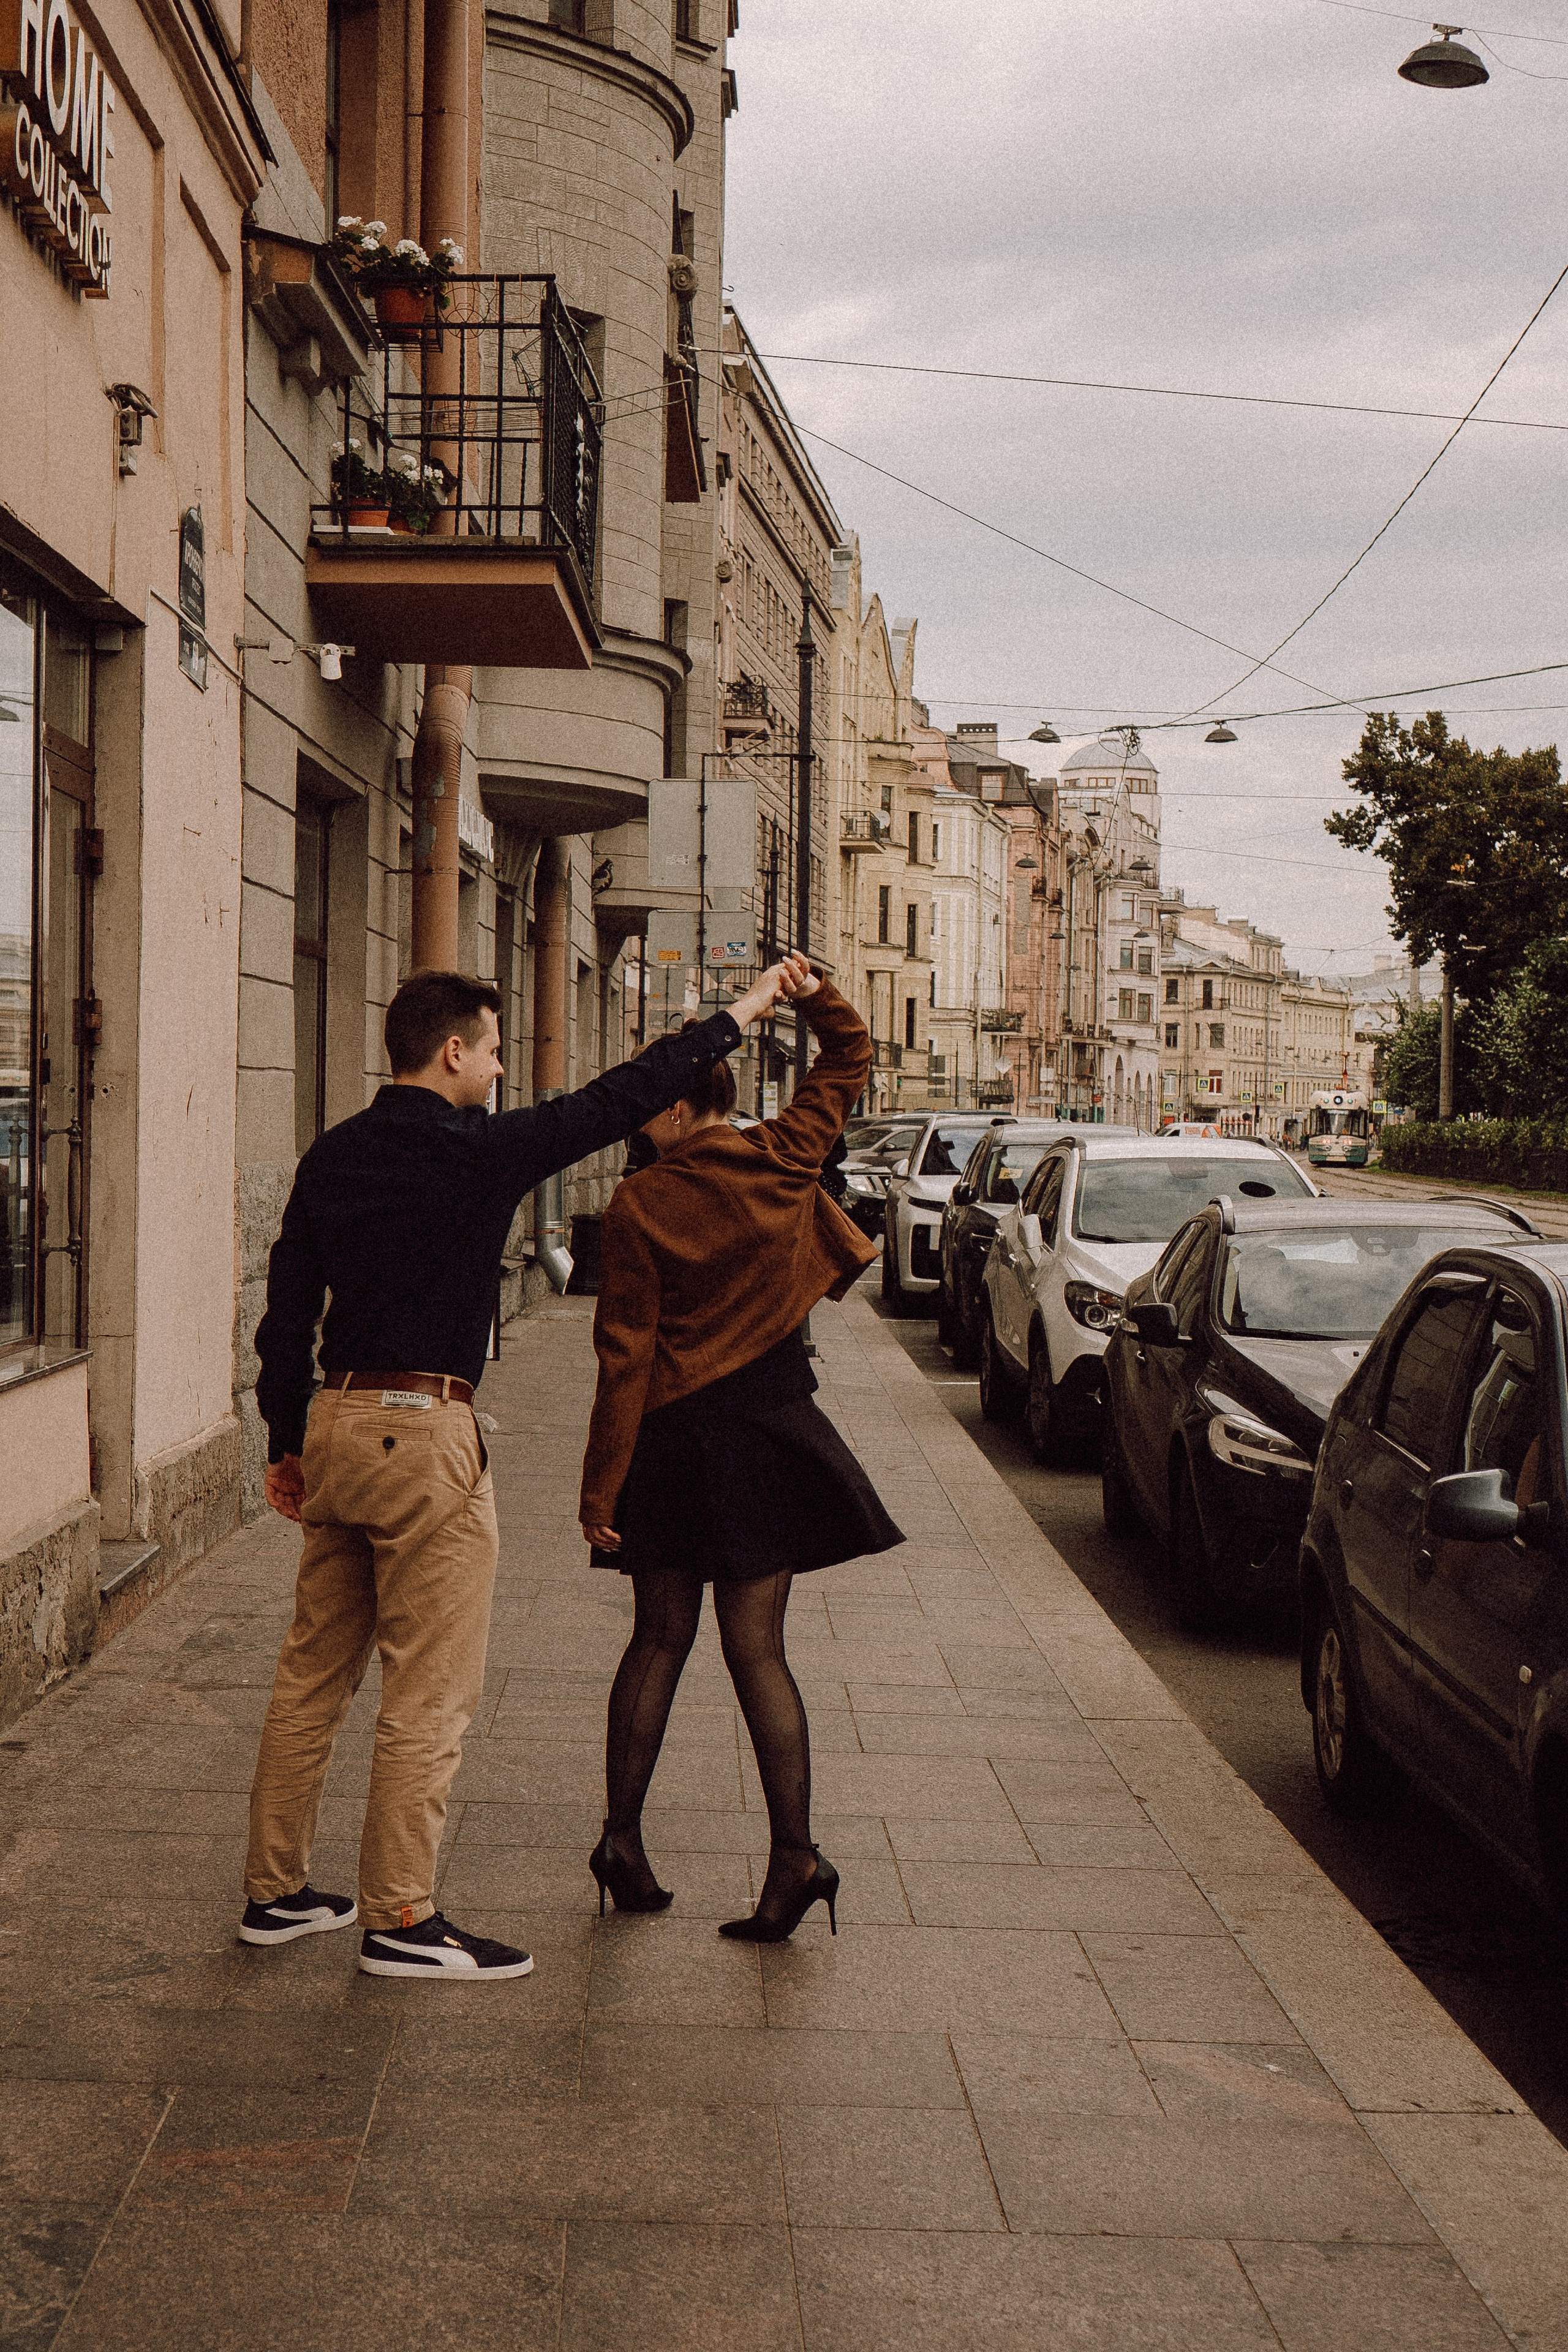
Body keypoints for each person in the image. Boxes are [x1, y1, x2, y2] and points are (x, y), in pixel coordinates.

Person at [242, 954, 805, 1983]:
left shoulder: (332, 1155)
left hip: (335, 1421)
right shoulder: (476, 1153)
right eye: (494, 1053)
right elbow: (619, 1099)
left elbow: (286, 1315)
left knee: (311, 1675)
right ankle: (401, 1918)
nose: (501, 1072)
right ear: (452, 1052)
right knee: (429, 1693)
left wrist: (286, 1441)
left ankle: (276, 1894)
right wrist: (746, 1008)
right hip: (422, 1433)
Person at [579, 967, 903, 1942]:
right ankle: (795, 1859)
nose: (639, 1125)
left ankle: (622, 1842)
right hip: (763, 1429)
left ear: (682, 1106)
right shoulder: (783, 1158)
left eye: (650, 1109)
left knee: (657, 1639)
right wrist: (809, 994)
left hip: (673, 1442)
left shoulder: (639, 1206)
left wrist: (602, 1488)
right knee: (756, 1647)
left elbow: (624, 1357)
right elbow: (851, 1056)